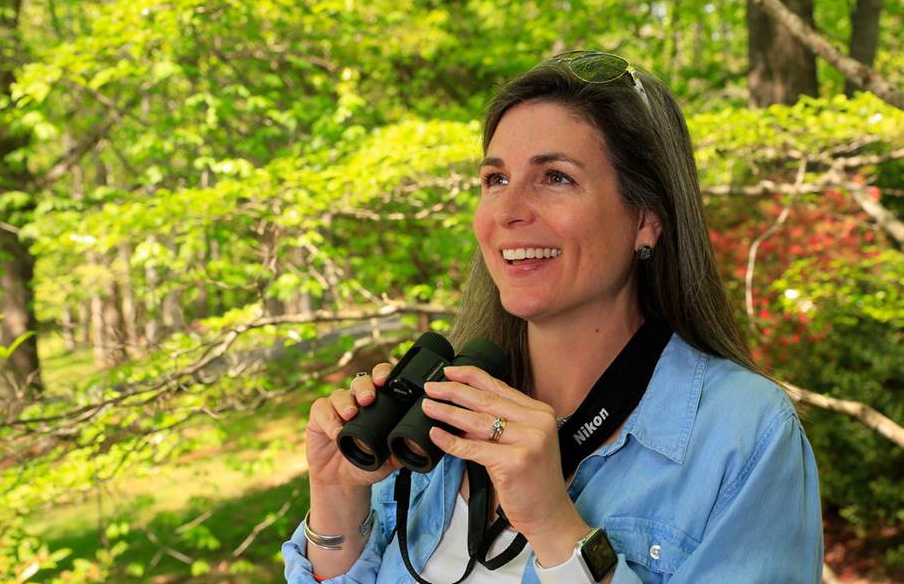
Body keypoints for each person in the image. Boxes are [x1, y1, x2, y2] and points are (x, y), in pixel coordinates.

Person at [283, 50, 823, 583]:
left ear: (647, 219)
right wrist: (337, 500)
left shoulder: (744, 433)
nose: (509, 210)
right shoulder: (428, 414)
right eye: (495, 179)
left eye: (556, 177)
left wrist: (556, 528)